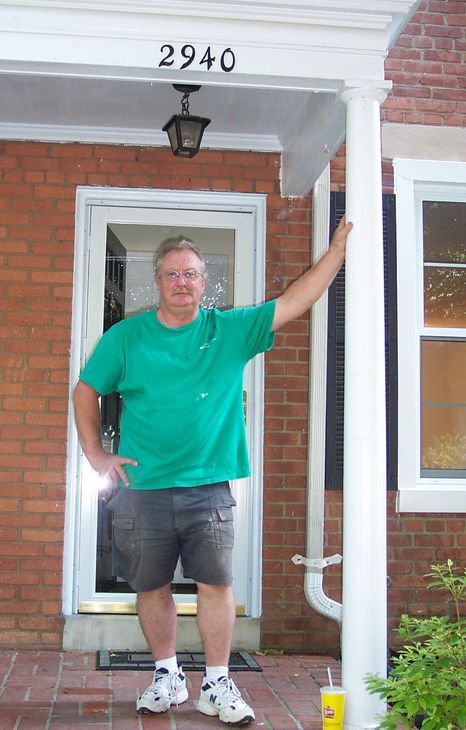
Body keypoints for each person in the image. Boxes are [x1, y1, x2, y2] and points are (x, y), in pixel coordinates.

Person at [72, 216, 352, 725]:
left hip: (209, 488)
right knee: (150, 587)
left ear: (205, 283)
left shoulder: (229, 330)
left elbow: (295, 301)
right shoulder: (127, 336)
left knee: (217, 586)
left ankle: (217, 683)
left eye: (192, 274)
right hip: (143, 487)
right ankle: (167, 675)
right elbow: (86, 390)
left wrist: (335, 254)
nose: (183, 281)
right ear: (157, 282)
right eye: (173, 273)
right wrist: (97, 455)